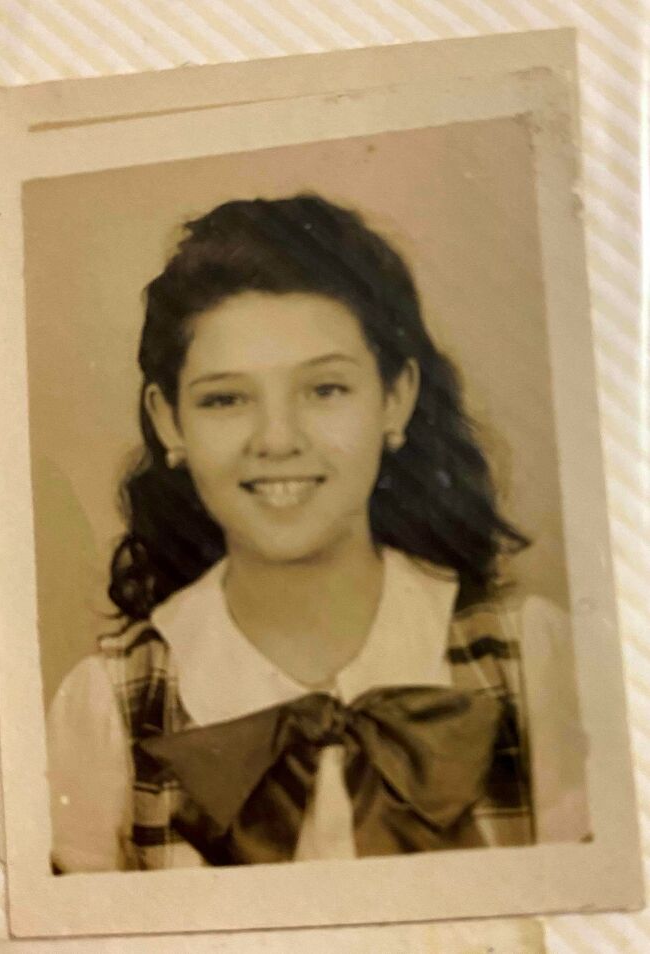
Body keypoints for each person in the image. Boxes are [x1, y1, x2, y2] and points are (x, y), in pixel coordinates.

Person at [46, 194, 588, 874]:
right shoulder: (107, 709)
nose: (277, 439)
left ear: (396, 399)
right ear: (170, 423)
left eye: (325, 390)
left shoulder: (531, 663)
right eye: (225, 399)